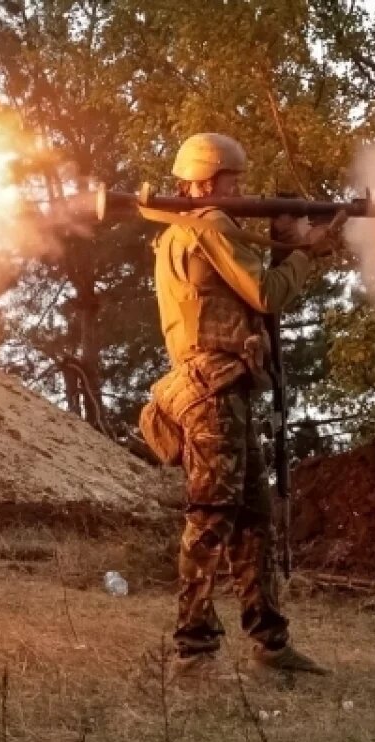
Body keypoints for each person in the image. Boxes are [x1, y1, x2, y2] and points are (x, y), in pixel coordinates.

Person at [147, 132, 339, 679]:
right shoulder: (210, 227)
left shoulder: (184, 229)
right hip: (213, 392)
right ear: (207, 180)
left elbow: (249, 294)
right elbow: (268, 295)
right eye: (235, 180)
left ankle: (271, 646)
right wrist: (306, 251)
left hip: (221, 389)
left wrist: (286, 245)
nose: (243, 189)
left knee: (253, 521)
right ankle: (194, 651)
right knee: (211, 520)